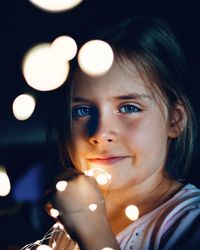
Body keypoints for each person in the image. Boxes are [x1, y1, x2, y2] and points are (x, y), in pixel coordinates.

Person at [27, 17, 200, 250]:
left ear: (174, 120)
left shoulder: (190, 223)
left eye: (129, 107)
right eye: (82, 110)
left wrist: (93, 232)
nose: (99, 133)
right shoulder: (65, 225)